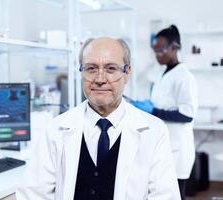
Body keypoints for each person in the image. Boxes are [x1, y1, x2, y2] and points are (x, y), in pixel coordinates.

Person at [16, 37, 180, 199]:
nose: (100, 79)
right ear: (81, 71)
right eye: (91, 68)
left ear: (127, 72)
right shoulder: (56, 129)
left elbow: (165, 196)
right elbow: (32, 194)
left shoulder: (154, 132)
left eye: (111, 69)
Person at [132, 25, 198, 200]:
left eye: (161, 50)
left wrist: (153, 110)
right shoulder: (164, 74)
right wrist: (148, 106)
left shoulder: (185, 77)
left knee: (176, 195)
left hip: (178, 151)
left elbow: (187, 114)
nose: (157, 55)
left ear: (174, 47)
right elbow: (165, 105)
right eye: (155, 51)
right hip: (165, 147)